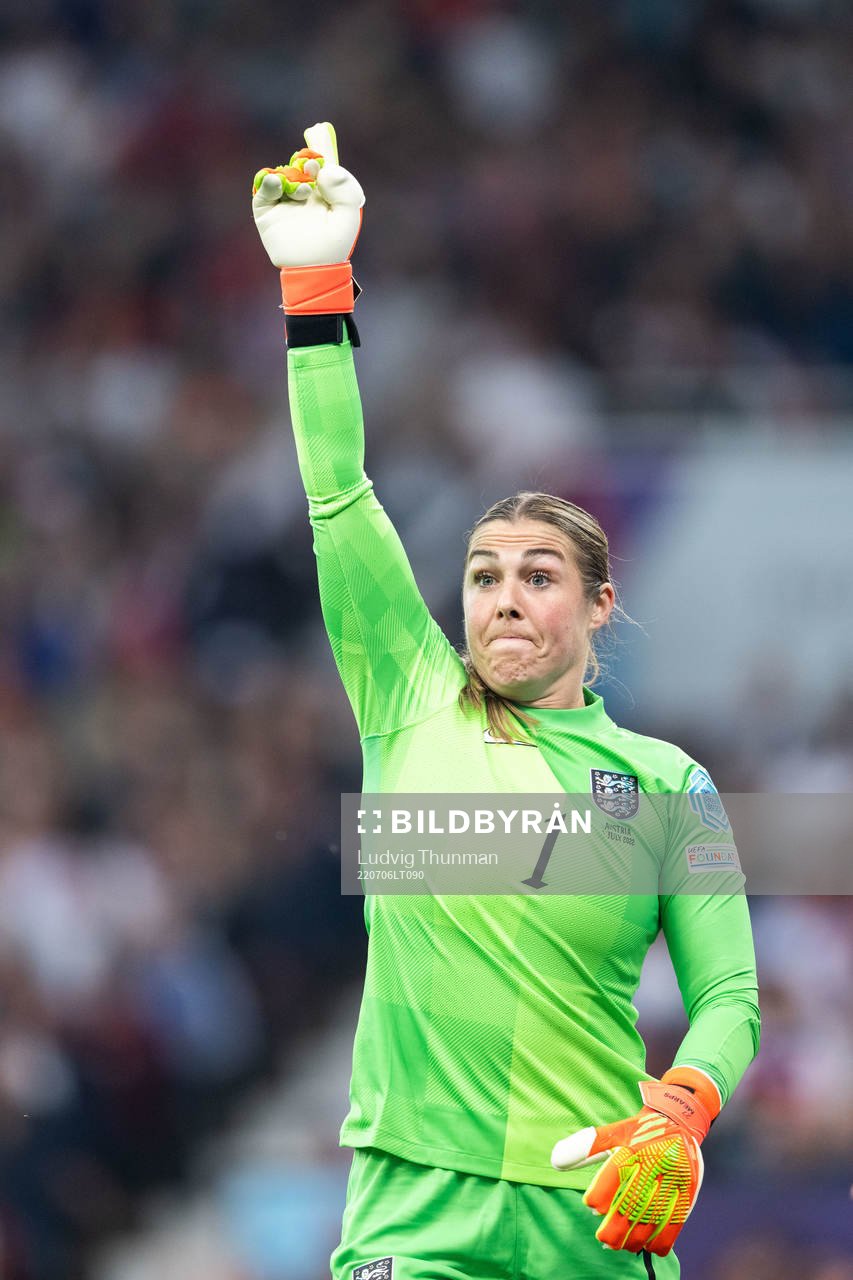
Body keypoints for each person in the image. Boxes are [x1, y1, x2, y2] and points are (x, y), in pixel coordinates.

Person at [252, 124, 760, 1280]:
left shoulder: (667, 783)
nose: (504, 598)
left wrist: (681, 1106)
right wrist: (313, 287)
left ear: (598, 606)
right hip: (412, 1214)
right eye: (484, 574)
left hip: (596, 1213)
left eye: (539, 577)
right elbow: (337, 490)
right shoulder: (407, 692)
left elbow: (729, 993)